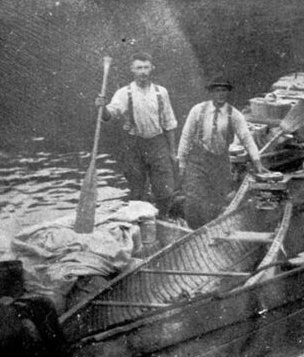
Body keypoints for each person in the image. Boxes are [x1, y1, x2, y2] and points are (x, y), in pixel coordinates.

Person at [175, 78, 268, 228]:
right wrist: (181, 162)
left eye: (224, 90)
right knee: (193, 199)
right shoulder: (198, 110)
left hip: (219, 161)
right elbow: (186, 136)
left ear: (228, 92)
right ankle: (192, 231)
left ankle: (208, 232)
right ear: (211, 92)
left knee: (215, 201)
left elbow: (246, 138)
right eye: (217, 90)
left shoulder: (235, 115)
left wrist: (257, 162)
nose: (221, 94)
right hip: (197, 160)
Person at [95, 52, 179, 214]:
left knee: (165, 189)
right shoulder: (123, 93)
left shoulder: (161, 92)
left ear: (152, 68)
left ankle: (162, 219)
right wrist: (102, 107)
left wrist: (172, 151)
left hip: (158, 143)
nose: (143, 72)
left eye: (146, 67)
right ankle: (141, 223)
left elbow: (169, 123)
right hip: (134, 145)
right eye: (139, 68)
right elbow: (109, 115)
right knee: (137, 190)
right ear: (132, 70)